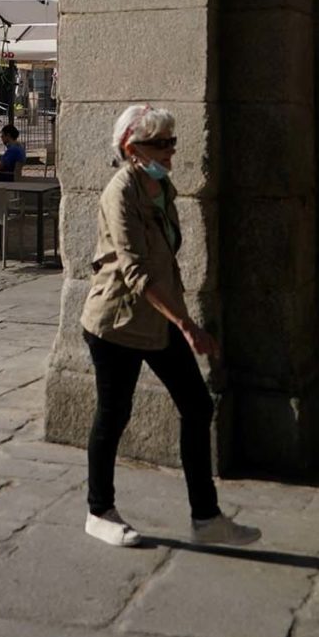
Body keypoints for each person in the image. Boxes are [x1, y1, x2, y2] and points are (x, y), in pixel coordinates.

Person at [79, 104, 259, 550]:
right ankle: (99, 511)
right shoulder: (119, 192)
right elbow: (136, 270)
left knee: (197, 407)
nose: (170, 151)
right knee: (113, 415)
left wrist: (178, 321)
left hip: (157, 321)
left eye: (172, 142)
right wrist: (187, 325)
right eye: (160, 143)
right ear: (131, 148)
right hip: (116, 321)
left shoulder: (161, 186)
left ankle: (206, 516)